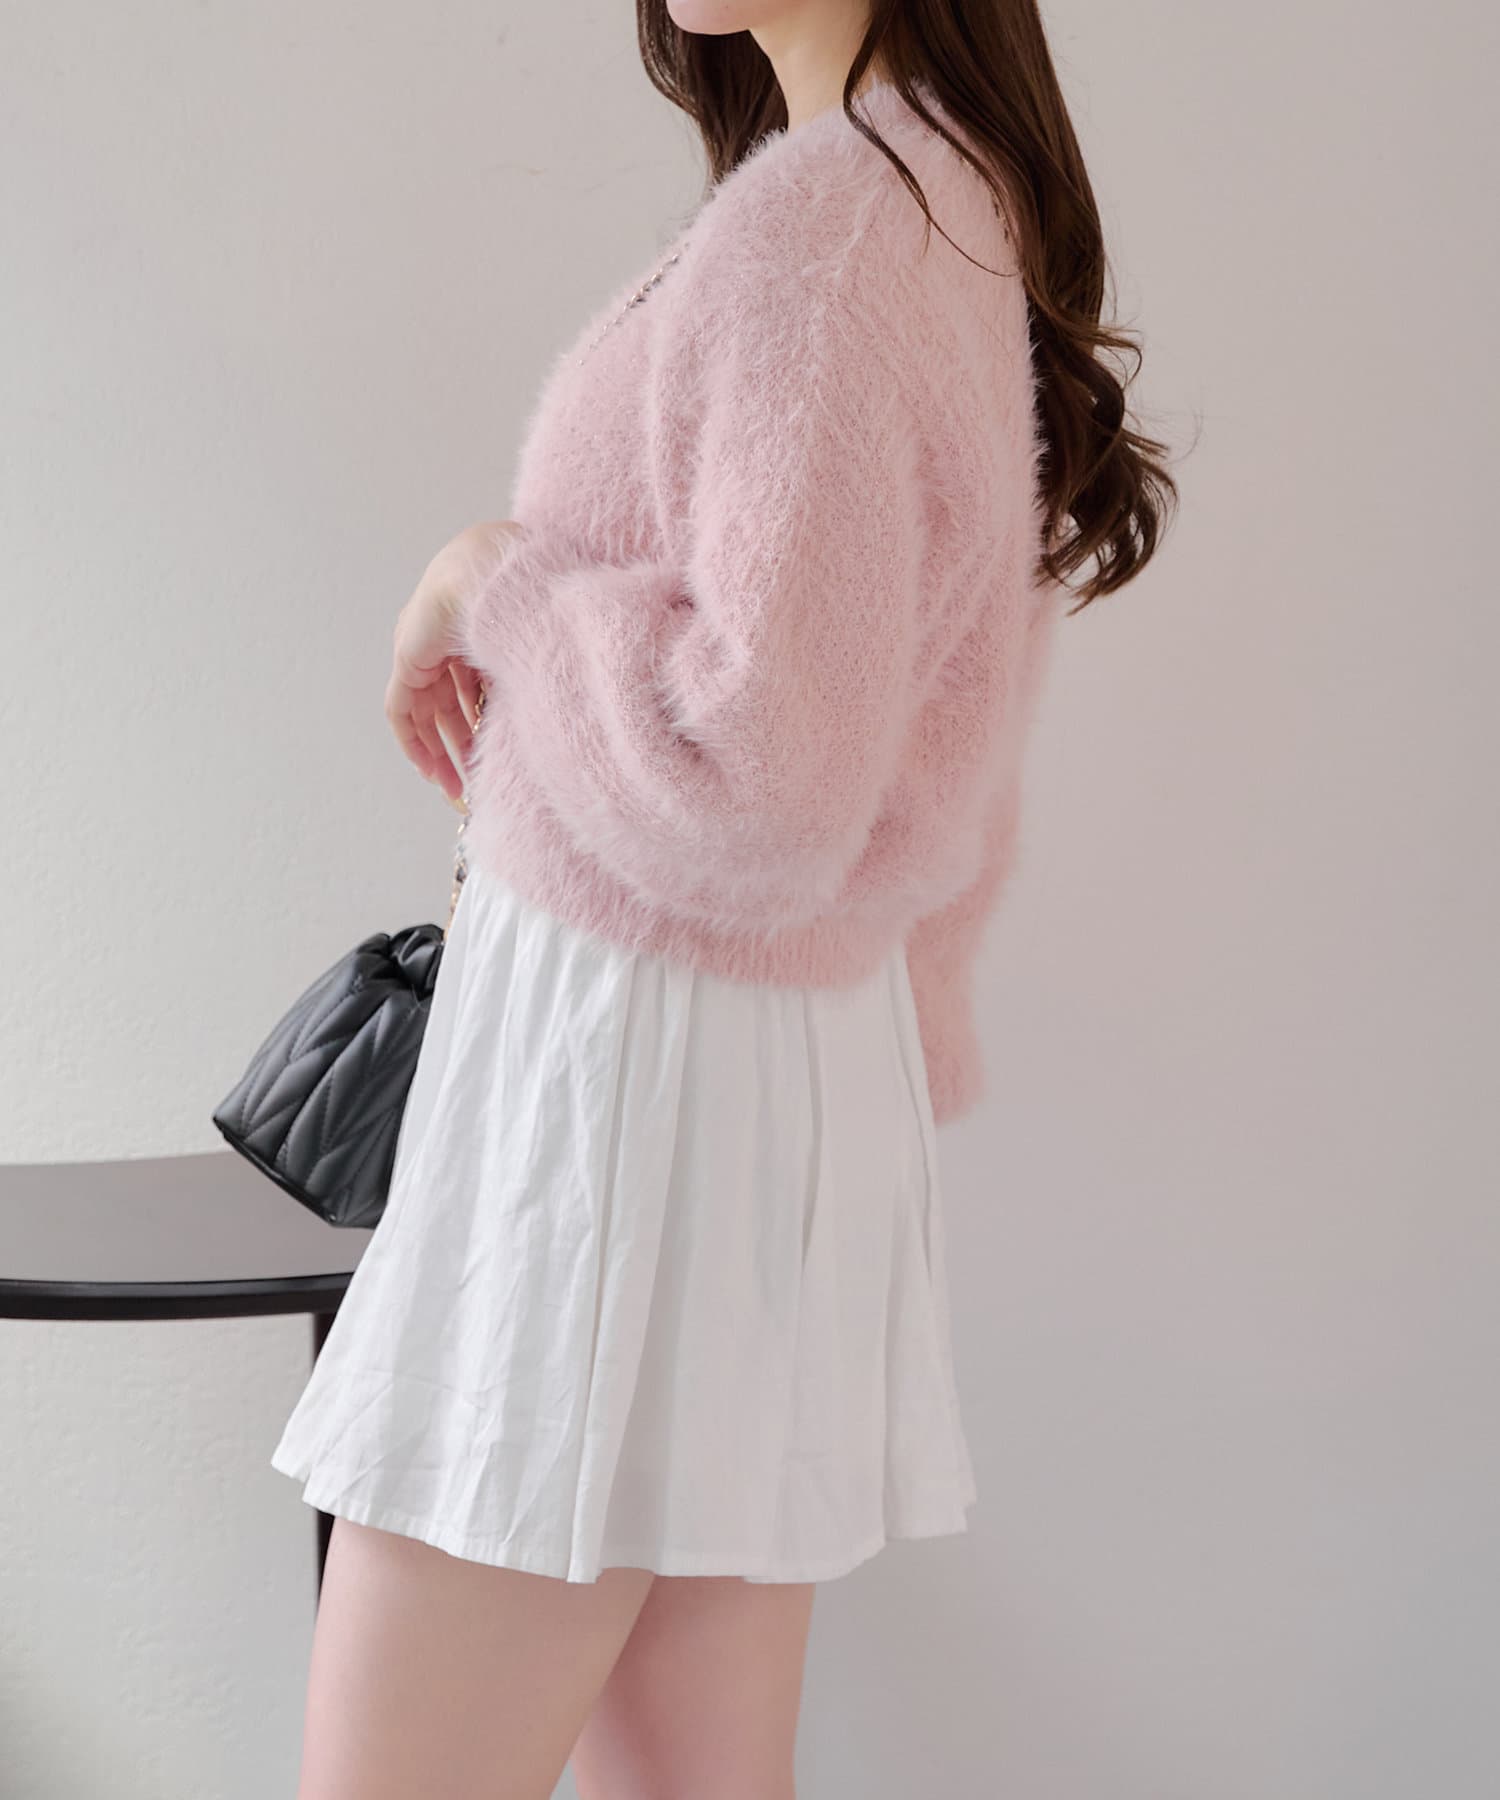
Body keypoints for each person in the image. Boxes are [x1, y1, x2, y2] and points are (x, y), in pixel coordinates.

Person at [271, 4, 1176, 1795]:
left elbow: (762, 776)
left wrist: (498, 584)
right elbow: (943, 725)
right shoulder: (935, 196)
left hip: (630, 1095)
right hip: (750, 1084)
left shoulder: (827, 231)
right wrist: (892, 1030)